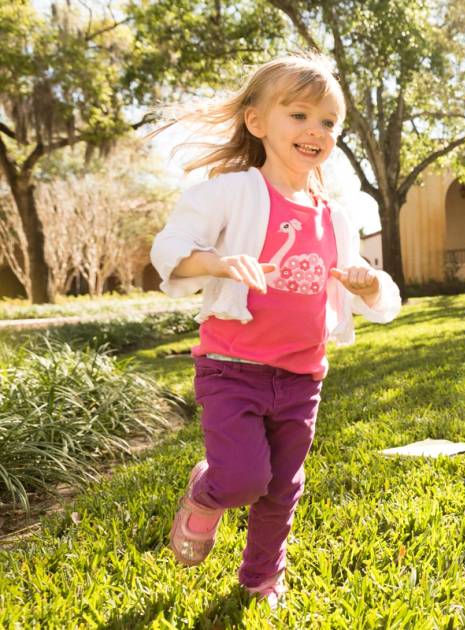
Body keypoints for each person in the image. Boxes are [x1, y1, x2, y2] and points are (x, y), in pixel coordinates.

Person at [149, 54, 402, 608]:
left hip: (302, 375)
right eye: (299, 114)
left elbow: (378, 295)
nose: (315, 131)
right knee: (243, 479)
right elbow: (167, 251)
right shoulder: (228, 193)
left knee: (281, 487)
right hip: (231, 367)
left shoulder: (334, 214)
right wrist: (216, 263)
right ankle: (206, 491)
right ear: (257, 121)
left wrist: (367, 285)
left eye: (329, 122)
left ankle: (261, 577)